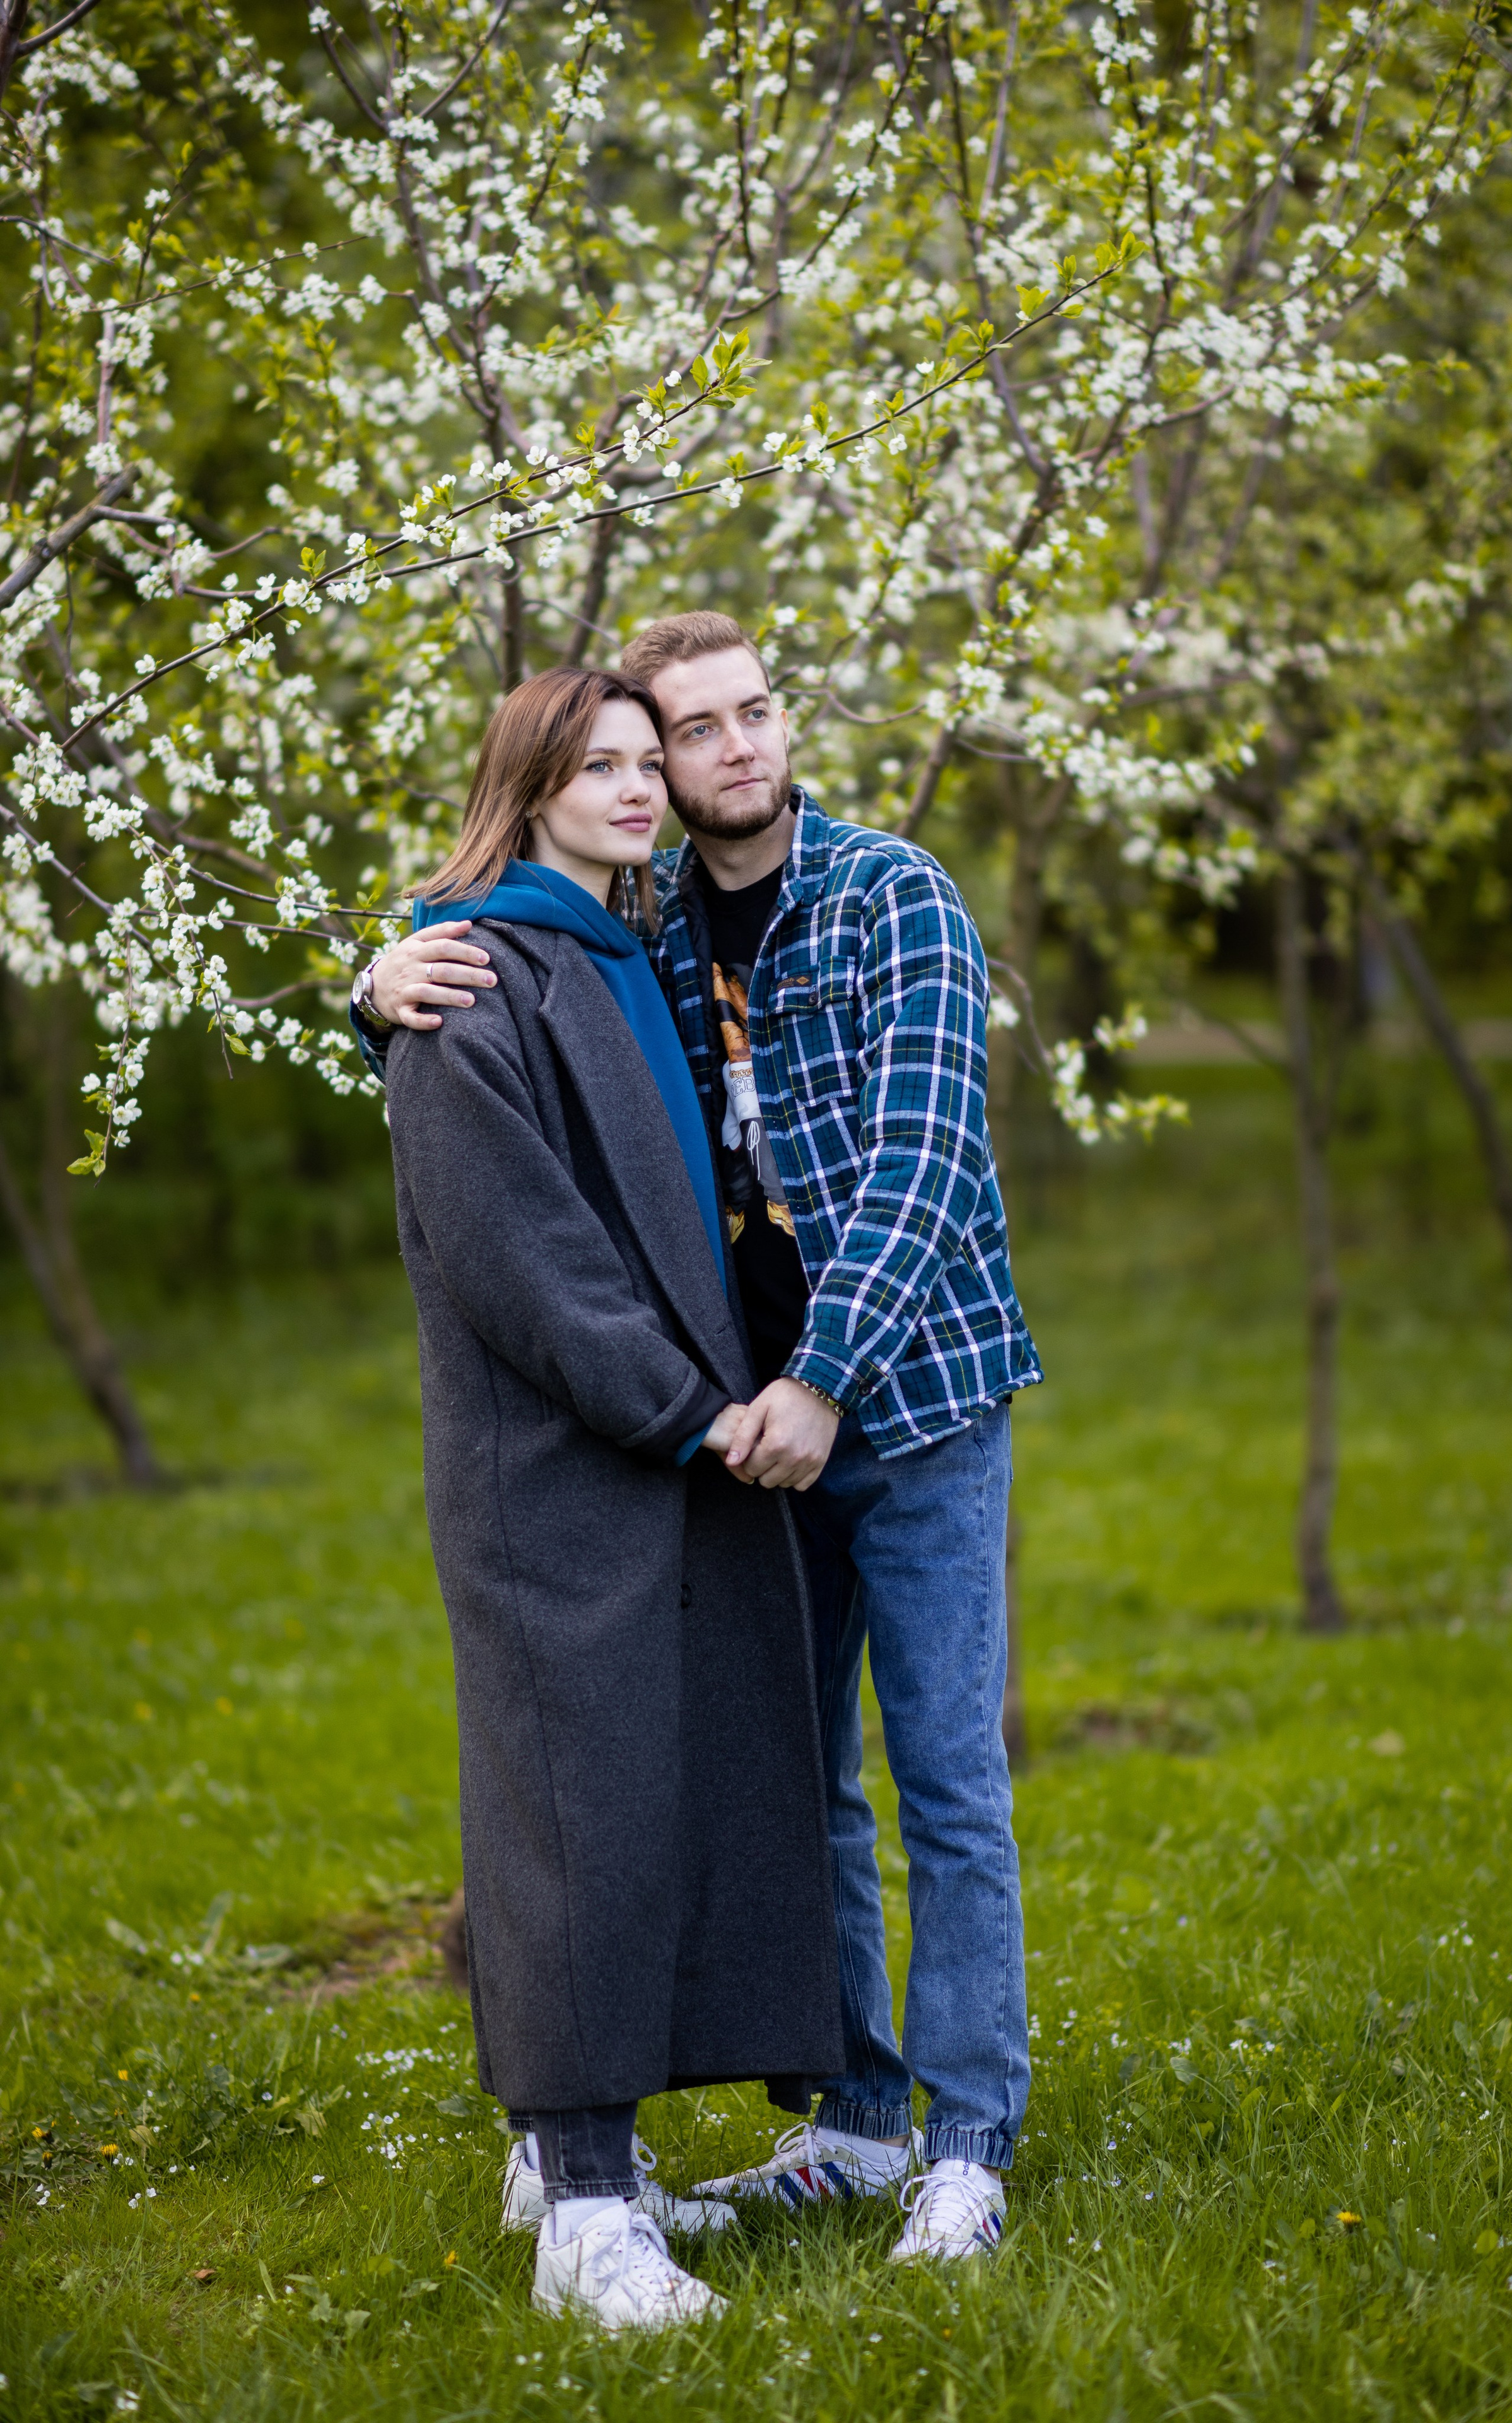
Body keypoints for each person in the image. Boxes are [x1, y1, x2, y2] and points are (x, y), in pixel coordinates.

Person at [358, 613, 1041, 2265]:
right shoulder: (651, 938)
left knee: (947, 1773)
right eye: (689, 731)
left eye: (755, 714)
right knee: (802, 1782)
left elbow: (926, 1167)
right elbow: (503, 1005)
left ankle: (968, 2141)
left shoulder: (892, 897)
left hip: (904, 1401)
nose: (730, 749)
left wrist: (822, 1379)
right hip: (752, 1437)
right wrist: (374, 990)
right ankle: (858, 2119)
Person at [378, 664, 843, 2331]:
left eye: (656, 761)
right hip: (560, 1469)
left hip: (661, 1459)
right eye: (606, 765)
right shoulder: (470, 981)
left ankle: (585, 2161)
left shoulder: (616, 947)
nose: (644, 788)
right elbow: (527, 1266)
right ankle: (582, 2215)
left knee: (647, 1809)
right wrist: (690, 1416)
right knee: (572, 1817)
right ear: (532, 780)